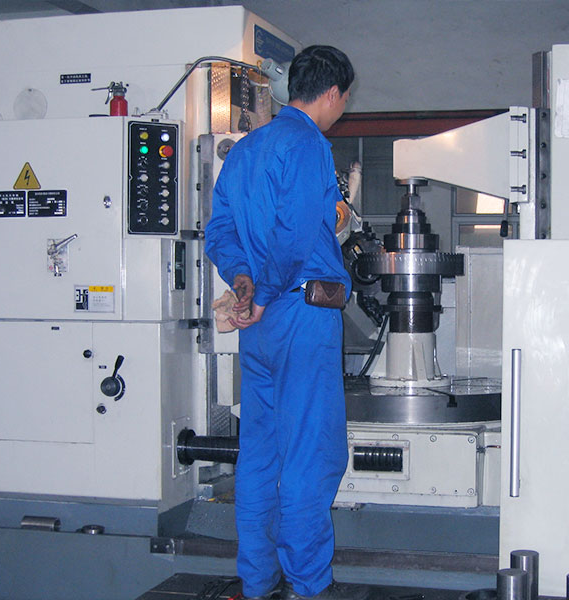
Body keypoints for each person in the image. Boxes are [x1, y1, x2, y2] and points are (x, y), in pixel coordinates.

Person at [204, 46, 368, 600]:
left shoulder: (246, 149)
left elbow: (221, 230)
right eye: (345, 98)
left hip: (260, 324)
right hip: (299, 313)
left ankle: (257, 581)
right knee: (309, 454)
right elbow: (296, 235)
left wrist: (244, 284)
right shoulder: (307, 144)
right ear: (334, 93)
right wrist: (268, 292)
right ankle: (308, 584)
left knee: (260, 454)